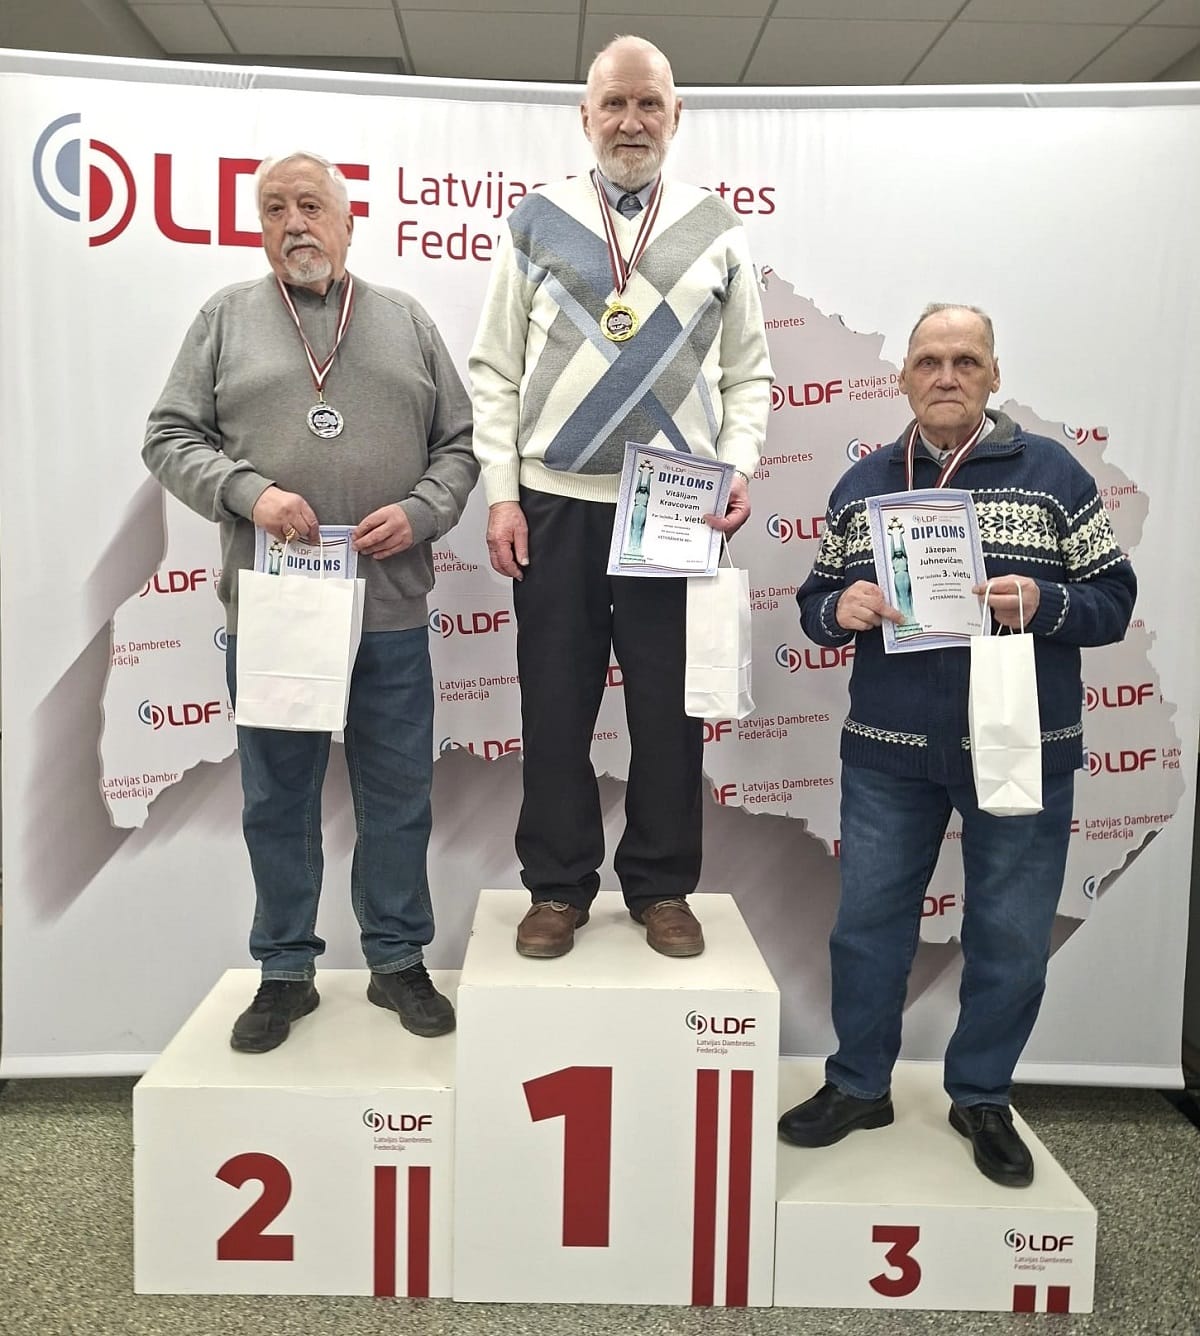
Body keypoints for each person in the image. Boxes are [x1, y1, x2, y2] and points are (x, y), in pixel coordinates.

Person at [779, 304, 1135, 1186]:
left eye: (966, 360)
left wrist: (1043, 604)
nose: (947, 375)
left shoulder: (1055, 475)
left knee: (1010, 935)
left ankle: (981, 1095)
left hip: (1022, 746)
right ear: (903, 377)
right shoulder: (865, 483)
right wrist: (839, 609)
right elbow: (815, 603)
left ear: (994, 375)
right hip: (889, 751)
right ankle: (858, 1084)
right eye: (930, 361)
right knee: (867, 928)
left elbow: (1113, 602)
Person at [144, 152, 478, 1052]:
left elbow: (458, 446)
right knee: (278, 800)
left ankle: (397, 959)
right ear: (259, 226)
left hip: (389, 611)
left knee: (398, 795)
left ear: (347, 221)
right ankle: (285, 971)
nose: (294, 222)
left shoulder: (406, 321)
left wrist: (421, 512)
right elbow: (168, 437)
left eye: (311, 205)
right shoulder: (224, 319)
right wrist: (249, 493)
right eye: (274, 208)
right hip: (277, 614)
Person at [469, 36, 772, 960]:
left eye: (648, 104)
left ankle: (662, 887)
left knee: (670, 711)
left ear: (676, 116)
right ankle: (558, 888)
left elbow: (749, 373)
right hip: (555, 504)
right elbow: (495, 370)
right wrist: (502, 495)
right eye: (615, 104)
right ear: (586, 116)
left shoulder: (717, 228)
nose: (631, 122)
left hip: (675, 506)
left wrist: (739, 466)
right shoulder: (535, 222)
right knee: (554, 705)